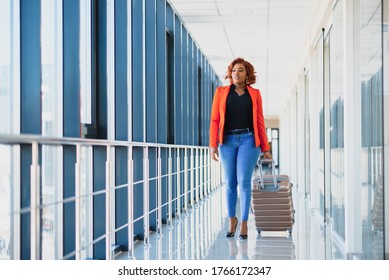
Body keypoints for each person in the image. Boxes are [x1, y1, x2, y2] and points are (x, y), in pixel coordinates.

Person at [209, 57, 272, 239]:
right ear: (230, 74)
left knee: (244, 182)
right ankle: (232, 220)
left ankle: (244, 222)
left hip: (248, 140)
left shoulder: (255, 94)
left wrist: (265, 147)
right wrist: (213, 145)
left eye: (241, 70)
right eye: (234, 70)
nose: (236, 73)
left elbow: (259, 121)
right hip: (226, 140)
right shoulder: (221, 92)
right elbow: (215, 120)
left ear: (247, 75)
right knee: (230, 183)